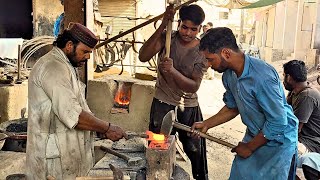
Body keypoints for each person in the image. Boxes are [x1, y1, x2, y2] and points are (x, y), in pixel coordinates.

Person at [192, 27, 298, 179]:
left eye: (210, 59)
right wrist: (207, 123)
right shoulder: (228, 76)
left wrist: (249, 147)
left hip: (279, 141)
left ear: (226, 54)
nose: (208, 65)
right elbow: (232, 107)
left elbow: (279, 121)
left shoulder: (263, 76)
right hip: (256, 134)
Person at [26, 23, 127, 179]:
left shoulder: (66, 65)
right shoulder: (52, 67)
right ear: (69, 45)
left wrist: (99, 130)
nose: (88, 57)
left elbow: (79, 107)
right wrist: (107, 128)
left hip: (66, 153)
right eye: (85, 52)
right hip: (52, 160)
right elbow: (73, 114)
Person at [138, 4, 208, 180]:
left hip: (189, 107)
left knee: (196, 154)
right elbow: (143, 56)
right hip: (162, 102)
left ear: (199, 28)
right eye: (185, 27)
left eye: (194, 29)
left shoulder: (202, 51)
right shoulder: (168, 37)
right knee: (157, 152)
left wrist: (173, 71)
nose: (188, 33)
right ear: (178, 23)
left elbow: (193, 86)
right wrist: (163, 23)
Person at [283, 60, 320, 180]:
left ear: (289, 77)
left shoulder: (306, 96)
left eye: (284, 76)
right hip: (302, 139)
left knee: (280, 153)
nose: (283, 79)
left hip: (311, 143)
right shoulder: (295, 92)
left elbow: (294, 129)